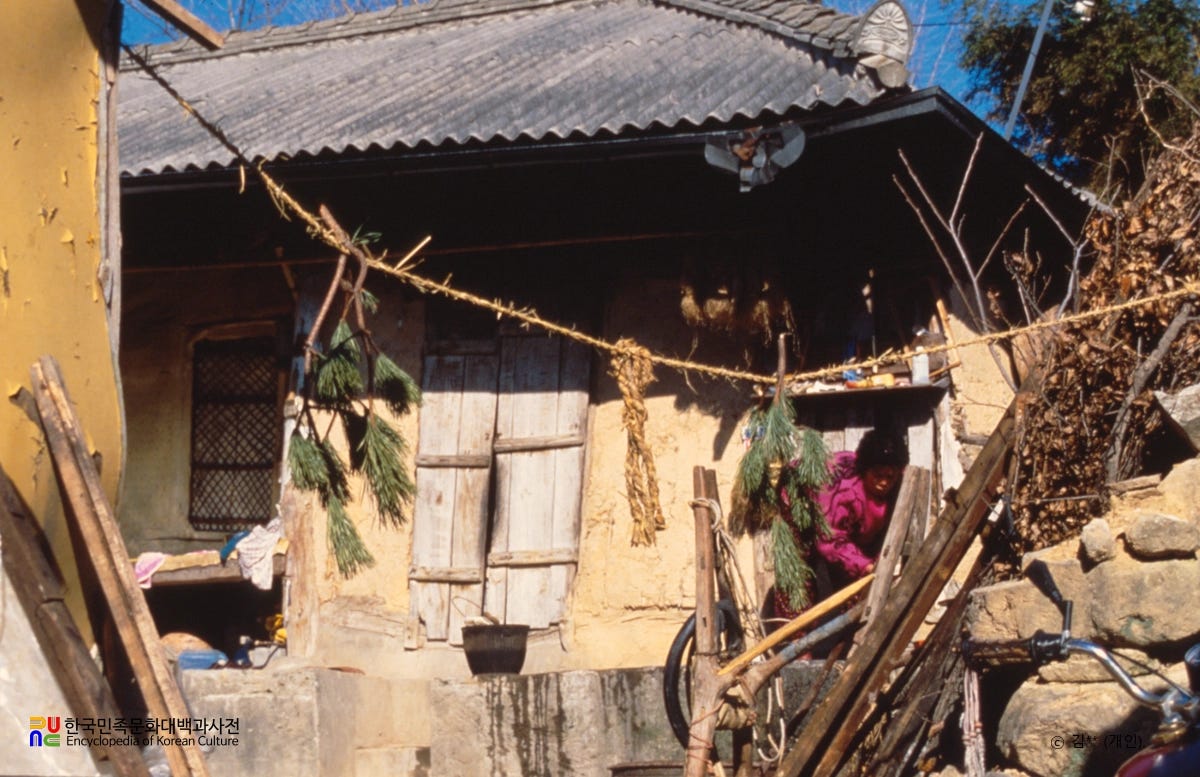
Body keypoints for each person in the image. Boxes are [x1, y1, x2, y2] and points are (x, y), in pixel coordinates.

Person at [772, 427, 910, 622]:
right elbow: (830, 540)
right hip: (798, 503)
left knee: (859, 582)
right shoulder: (841, 491)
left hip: (844, 522)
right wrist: (867, 567)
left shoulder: (901, 483)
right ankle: (797, 645)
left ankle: (854, 632)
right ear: (864, 471)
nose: (884, 483)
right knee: (797, 578)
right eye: (878, 475)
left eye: (890, 477)